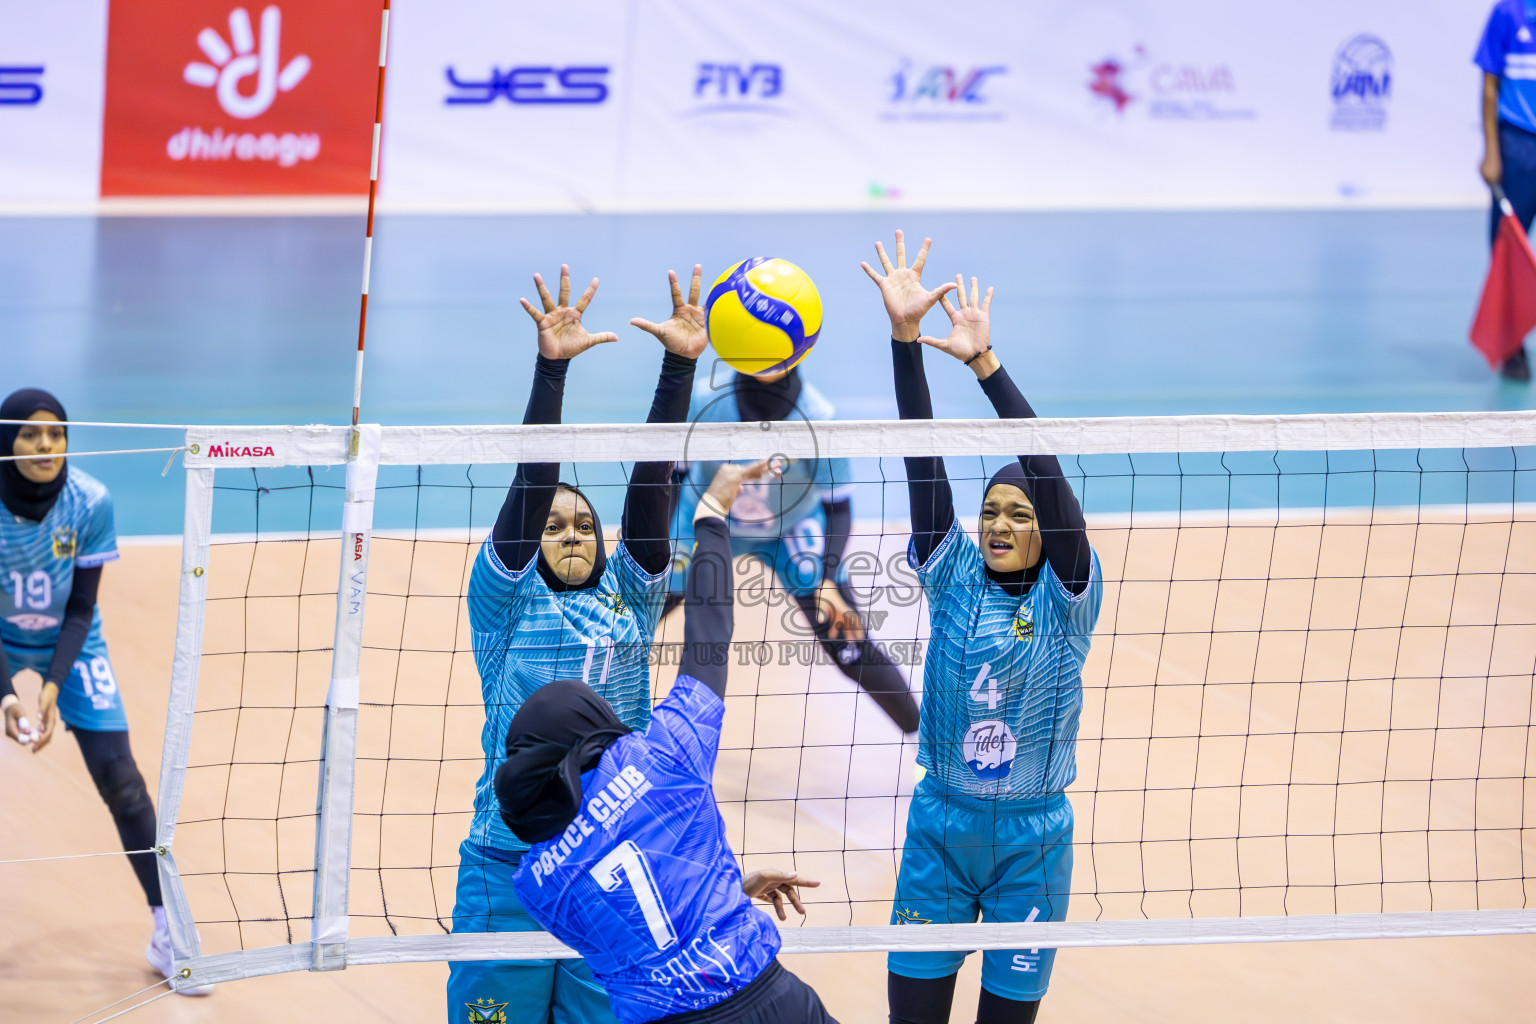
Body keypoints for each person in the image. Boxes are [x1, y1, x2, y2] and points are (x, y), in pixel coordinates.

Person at [449, 265, 710, 1024]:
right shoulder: (504, 601)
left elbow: (652, 489)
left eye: (583, 525)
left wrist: (679, 366)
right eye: (553, 526)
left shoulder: (631, 594)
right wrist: (550, 370)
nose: (569, 533)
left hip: (611, 864)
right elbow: (533, 482)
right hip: (508, 863)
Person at [496, 459, 837, 1024]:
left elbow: (630, 909)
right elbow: (710, 637)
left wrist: (723, 886)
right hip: (773, 1000)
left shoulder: (537, 882)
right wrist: (711, 516)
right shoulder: (664, 757)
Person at [861, 233, 1102, 1024]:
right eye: (990, 511)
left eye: (1018, 514)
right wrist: (907, 341)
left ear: (1047, 529)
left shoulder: (1069, 595)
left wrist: (986, 367)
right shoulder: (954, 573)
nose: (999, 525)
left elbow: (1049, 475)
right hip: (941, 829)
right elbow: (920, 456)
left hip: (1032, 844)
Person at [0, 388, 209, 995]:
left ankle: (169, 930)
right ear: (5, 443)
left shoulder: (89, 500)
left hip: (73, 643)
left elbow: (82, 608)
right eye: (30, 435)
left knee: (122, 780)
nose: (46, 446)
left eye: (56, 435)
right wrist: (9, 695)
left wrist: (53, 684)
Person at [667, 362, 919, 734]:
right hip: (707, 515)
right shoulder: (707, 403)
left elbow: (839, 507)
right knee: (642, 603)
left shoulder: (817, 416)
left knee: (847, 640)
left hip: (790, 527)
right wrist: (656, 548)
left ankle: (926, 742)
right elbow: (676, 476)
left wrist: (828, 579)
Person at [1476, 0, 1536, 382]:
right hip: (1518, 146)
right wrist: (1492, 152)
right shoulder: (1507, 12)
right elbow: (1488, 86)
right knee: (1508, 245)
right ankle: (1512, 346)